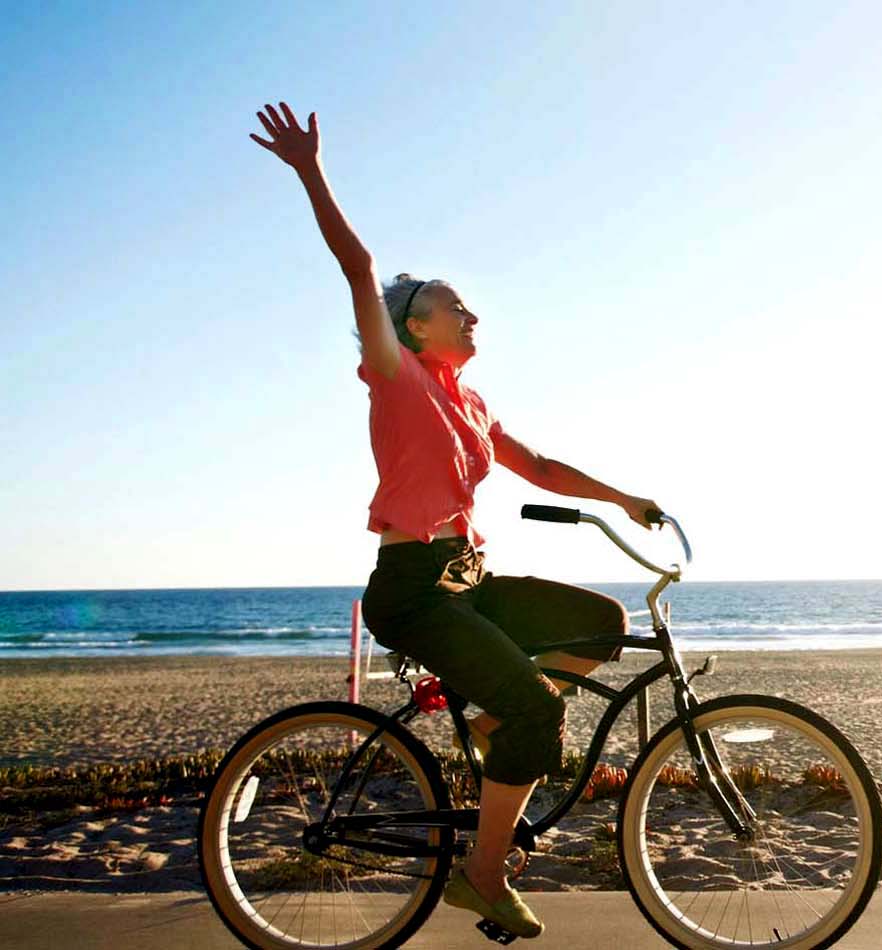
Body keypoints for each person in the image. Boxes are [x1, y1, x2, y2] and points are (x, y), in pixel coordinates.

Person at [250, 101, 657, 939]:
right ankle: (480, 875)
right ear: (414, 325)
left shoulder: (467, 400)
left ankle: (484, 715)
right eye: (455, 306)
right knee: (541, 713)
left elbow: (538, 467)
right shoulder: (394, 373)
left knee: (602, 621)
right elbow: (358, 269)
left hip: (467, 583)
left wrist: (624, 498)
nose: (473, 316)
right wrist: (310, 171)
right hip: (413, 587)